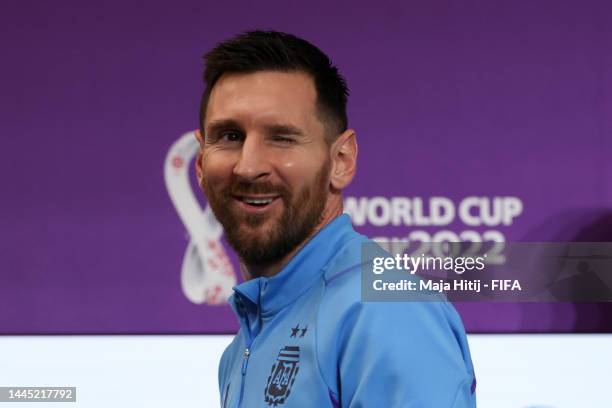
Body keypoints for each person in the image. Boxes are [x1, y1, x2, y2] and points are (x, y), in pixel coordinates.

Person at [195, 30, 476, 407]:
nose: (248, 167)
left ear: (341, 161)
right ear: (200, 163)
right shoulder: (243, 346)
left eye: (282, 138)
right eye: (230, 136)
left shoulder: (384, 312)